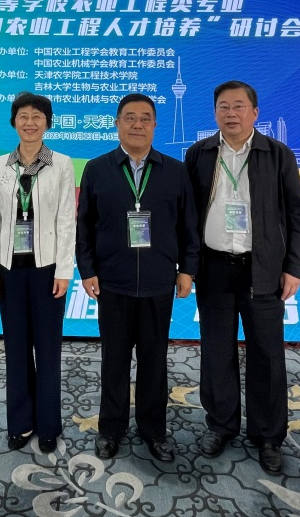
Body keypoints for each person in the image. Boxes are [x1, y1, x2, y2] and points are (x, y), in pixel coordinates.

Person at [183, 80, 300, 475]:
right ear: (215, 112)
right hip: (214, 268)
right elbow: (187, 215)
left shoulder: (278, 154)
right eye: (223, 106)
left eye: (239, 106)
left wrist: (295, 267)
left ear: (255, 112)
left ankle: (268, 435)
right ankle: (221, 425)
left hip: (263, 269)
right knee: (216, 351)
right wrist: (187, 265)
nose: (231, 113)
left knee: (266, 355)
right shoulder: (200, 153)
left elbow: (298, 214)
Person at [76, 93, 200, 463]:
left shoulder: (175, 171)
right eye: (129, 117)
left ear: (155, 125)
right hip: (112, 282)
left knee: (153, 361)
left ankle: (153, 430)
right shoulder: (97, 169)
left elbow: (188, 225)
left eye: (145, 118)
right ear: (117, 123)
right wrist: (87, 269)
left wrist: (188, 269)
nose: (137, 124)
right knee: (113, 361)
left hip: (159, 283)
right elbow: (84, 225)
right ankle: (110, 429)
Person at [0, 93, 76, 454]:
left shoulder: (62, 164)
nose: (30, 122)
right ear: (13, 122)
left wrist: (64, 270)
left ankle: (49, 423)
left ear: (47, 122)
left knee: (48, 349)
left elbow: (66, 220)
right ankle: (20, 422)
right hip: (9, 271)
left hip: (47, 269)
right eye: (23, 116)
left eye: (37, 116)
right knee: (16, 348)